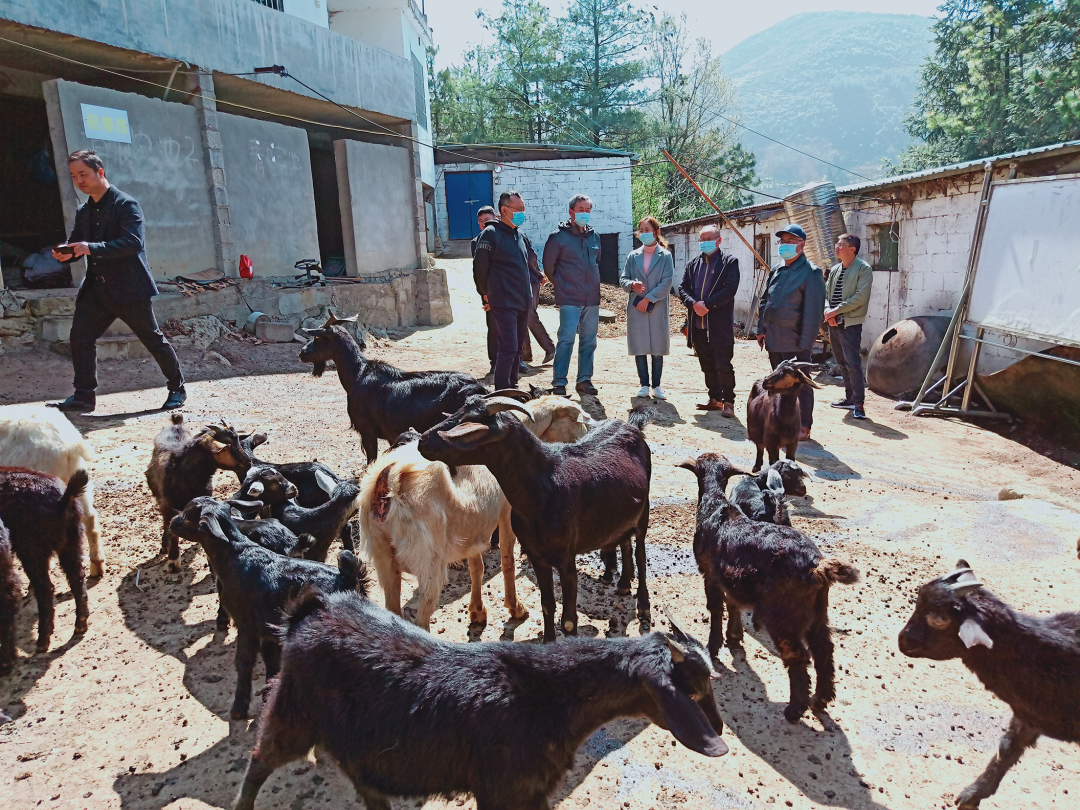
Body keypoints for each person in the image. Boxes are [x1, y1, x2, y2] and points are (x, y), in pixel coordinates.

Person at [49, 150, 186, 413]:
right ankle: (83, 397)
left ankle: (177, 388)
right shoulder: (83, 211)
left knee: (152, 338)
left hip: (129, 288)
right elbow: (78, 244)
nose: (79, 181)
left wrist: (90, 247)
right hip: (96, 290)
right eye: (74, 176)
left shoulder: (126, 204)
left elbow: (132, 243)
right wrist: (65, 253)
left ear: (100, 172)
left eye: (83, 174)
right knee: (80, 337)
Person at [756, 223, 826, 439]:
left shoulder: (811, 273)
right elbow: (765, 301)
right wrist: (761, 329)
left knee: (801, 386)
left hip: (795, 341)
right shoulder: (777, 270)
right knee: (778, 384)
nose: (784, 245)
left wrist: (805, 344)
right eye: (782, 242)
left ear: (801, 245)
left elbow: (813, 313)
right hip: (774, 338)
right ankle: (781, 421)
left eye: (790, 242)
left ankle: (804, 426)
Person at [472, 191, 533, 390]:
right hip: (503, 300)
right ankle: (502, 390)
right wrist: (485, 295)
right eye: (518, 210)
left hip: (523, 300)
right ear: (504, 210)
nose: (522, 213)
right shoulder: (490, 234)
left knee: (517, 347)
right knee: (507, 347)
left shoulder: (519, 235)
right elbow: (480, 268)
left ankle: (512, 385)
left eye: (523, 209)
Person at [678, 224, 741, 417]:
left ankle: (728, 402)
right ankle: (714, 399)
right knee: (706, 364)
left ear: (719, 240)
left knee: (723, 364)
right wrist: (693, 304)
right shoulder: (693, 264)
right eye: (702, 239)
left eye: (709, 239)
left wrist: (707, 305)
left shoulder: (729, 263)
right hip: (698, 325)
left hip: (719, 326)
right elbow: (682, 288)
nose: (705, 242)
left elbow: (730, 290)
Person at [543, 194, 601, 397]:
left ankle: (584, 380)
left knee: (589, 341)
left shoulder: (595, 237)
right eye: (581, 209)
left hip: (592, 298)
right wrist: (562, 285)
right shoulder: (558, 237)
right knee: (566, 339)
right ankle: (559, 382)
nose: (585, 213)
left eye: (588, 210)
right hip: (569, 298)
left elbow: (596, 262)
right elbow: (549, 267)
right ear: (571, 212)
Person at [620, 216, 674, 399]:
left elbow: (667, 283)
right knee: (640, 346)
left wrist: (649, 298)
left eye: (647, 230)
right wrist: (631, 285)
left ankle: (656, 386)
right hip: (636, 307)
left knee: (658, 346)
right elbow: (623, 278)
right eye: (641, 230)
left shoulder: (665, 256)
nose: (644, 233)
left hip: (656, 306)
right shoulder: (632, 255)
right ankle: (644, 384)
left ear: (656, 232)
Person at [824, 233, 873, 420]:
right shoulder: (836, 269)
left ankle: (859, 404)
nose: (836, 246)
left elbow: (861, 297)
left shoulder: (863, 269)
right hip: (833, 322)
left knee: (853, 364)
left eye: (841, 244)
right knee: (841, 363)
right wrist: (828, 311)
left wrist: (836, 311)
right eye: (836, 243)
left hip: (850, 323)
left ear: (852, 249)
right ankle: (849, 398)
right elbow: (825, 294)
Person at [470, 205, 499, 379]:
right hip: (490, 292)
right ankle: (495, 364)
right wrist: (485, 295)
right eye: (481, 221)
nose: (484, 224)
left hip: (507, 292)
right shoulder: (477, 242)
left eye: (487, 220)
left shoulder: (503, 236)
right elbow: (480, 270)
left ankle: (516, 361)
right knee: (494, 329)